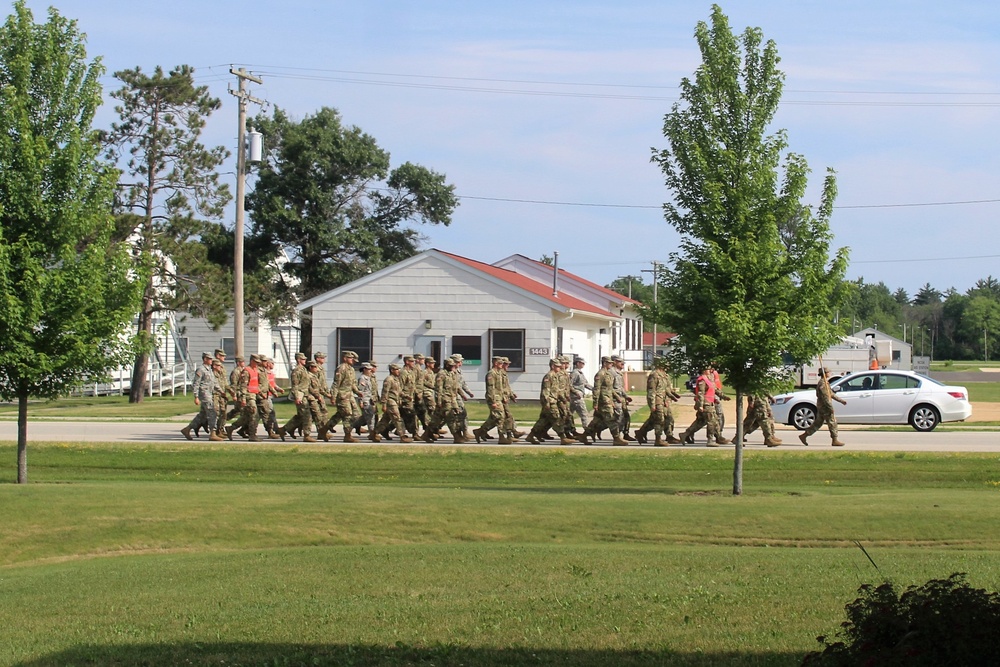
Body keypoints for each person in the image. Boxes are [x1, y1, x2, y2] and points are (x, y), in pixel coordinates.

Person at [526, 358, 577, 445]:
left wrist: (563, 398)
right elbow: (546, 391)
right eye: (557, 366)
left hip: (554, 400)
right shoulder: (549, 376)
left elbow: (556, 390)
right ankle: (563, 438)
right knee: (557, 419)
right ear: (553, 366)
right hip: (550, 402)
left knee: (543, 420)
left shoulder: (556, 376)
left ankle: (531, 436)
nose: (559, 368)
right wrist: (547, 403)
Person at [634, 356, 681, 446]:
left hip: (664, 401)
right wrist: (652, 404)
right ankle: (658, 439)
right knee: (659, 420)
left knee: (667, 419)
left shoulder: (664, 375)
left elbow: (665, 389)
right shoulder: (654, 375)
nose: (667, 366)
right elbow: (651, 391)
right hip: (657, 401)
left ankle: (667, 436)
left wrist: (672, 396)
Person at [679, 365, 730, 446]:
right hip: (706, 404)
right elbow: (700, 393)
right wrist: (700, 405)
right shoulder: (702, 380)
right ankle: (710, 440)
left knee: (701, 422)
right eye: (708, 369)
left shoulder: (709, 379)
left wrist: (723, 396)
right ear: (703, 370)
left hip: (710, 403)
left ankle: (685, 434)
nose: (710, 370)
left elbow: (715, 389)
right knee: (711, 422)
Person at [580, 357, 627, 445]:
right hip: (603, 401)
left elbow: (610, 389)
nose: (611, 364)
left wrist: (616, 397)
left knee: (597, 420)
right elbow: (597, 389)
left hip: (608, 399)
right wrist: (595, 403)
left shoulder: (608, 374)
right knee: (611, 419)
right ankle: (616, 438)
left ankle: (584, 436)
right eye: (609, 363)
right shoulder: (600, 374)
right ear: (604, 363)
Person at [319, 350, 361, 442]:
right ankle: (347, 435)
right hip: (342, 396)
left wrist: (357, 392)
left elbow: (353, 383)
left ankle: (323, 430)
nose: (353, 360)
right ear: (345, 358)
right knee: (347, 414)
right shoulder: (341, 368)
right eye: (351, 358)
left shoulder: (351, 369)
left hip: (350, 396)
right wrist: (333, 397)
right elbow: (336, 384)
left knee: (353, 414)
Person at [799, 367, 847, 447]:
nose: (830, 373)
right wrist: (830, 407)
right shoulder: (823, 383)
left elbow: (830, 394)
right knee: (832, 422)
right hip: (825, 406)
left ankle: (804, 435)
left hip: (822, 406)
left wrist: (841, 401)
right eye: (828, 372)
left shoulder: (825, 382)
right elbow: (825, 397)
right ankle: (834, 440)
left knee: (818, 423)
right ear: (825, 373)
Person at [182, 352, 223, 441]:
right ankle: (213, 433)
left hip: (209, 393)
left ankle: (187, 429)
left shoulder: (209, 370)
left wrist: (221, 391)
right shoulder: (200, 370)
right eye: (209, 359)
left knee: (202, 415)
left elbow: (214, 382)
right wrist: (196, 396)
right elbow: (196, 383)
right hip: (204, 394)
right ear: (205, 359)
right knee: (212, 412)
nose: (211, 360)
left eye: (211, 359)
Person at [279, 352, 317, 442]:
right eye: (303, 359)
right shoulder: (296, 371)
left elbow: (306, 384)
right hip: (300, 396)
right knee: (307, 416)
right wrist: (297, 397)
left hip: (305, 394)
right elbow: (295, 385)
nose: (305, 360)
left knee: (300, 416)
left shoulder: (303, 369)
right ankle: (307, 435)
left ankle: (283, 430)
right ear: (299, 360)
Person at [374, 363, 412, 443]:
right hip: (390, 401)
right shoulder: (389, 379)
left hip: (395, 401)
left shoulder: (396, 379)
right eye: (396, 369)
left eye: (398, 369)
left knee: (385, 419)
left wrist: (406, 396)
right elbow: (385, 392)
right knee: (397, 418)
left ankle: (375, 433)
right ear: (392, 370)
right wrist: (383, 404)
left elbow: (398, 392)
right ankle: (402, 436)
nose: (398, 371)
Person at [475, 356, 509, 443]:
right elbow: (491, 389)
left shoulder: (499, 373)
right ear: (495, 363)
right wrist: (493, 401)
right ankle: (501, 437)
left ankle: (480, 431)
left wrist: (504, 397)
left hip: (499, 398)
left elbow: (502, 387)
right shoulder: (491, 374)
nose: (502, 365)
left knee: (494, 418)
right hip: (494, 398)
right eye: (500, 363)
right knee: (500, 416)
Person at [569, 357, 592, 431]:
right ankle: (587, 430)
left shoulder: (580, 373)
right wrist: (576, 392)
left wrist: (595, 389)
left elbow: (585, 383)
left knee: (568, 414)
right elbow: (569, 384)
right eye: (582, 363)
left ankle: (567, 429)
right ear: (577, 363)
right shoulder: (575, 373)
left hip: (576, 396)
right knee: (584, 414)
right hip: (576, 397)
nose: (583, 364)